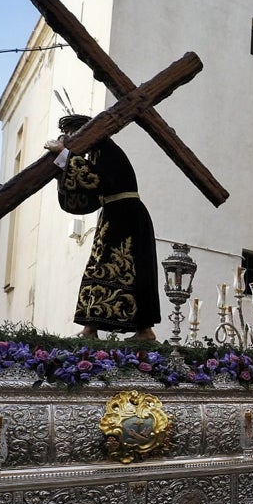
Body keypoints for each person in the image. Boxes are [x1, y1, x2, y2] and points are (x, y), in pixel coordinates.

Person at [45, 114, 160, 340]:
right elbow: (84, 198)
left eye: (71, 134)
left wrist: (64, 155)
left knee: (131, 270)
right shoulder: (96, 153)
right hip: (114, 215)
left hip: (127, 217)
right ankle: (91, 328)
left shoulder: (108, 150)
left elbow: (96, 179)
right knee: (99, 266)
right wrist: (62, 167)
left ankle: (143, 330)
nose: (68, 139)